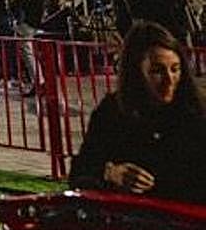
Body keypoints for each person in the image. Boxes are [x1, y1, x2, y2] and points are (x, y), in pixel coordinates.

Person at [69, 22, 206, 203]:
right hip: (136, 220)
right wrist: (111, 173)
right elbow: (81, 171)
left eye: (175, 69)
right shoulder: (112, 112)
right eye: (157, 71)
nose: (169, 80)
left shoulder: (197, 111)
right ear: (137, 72)